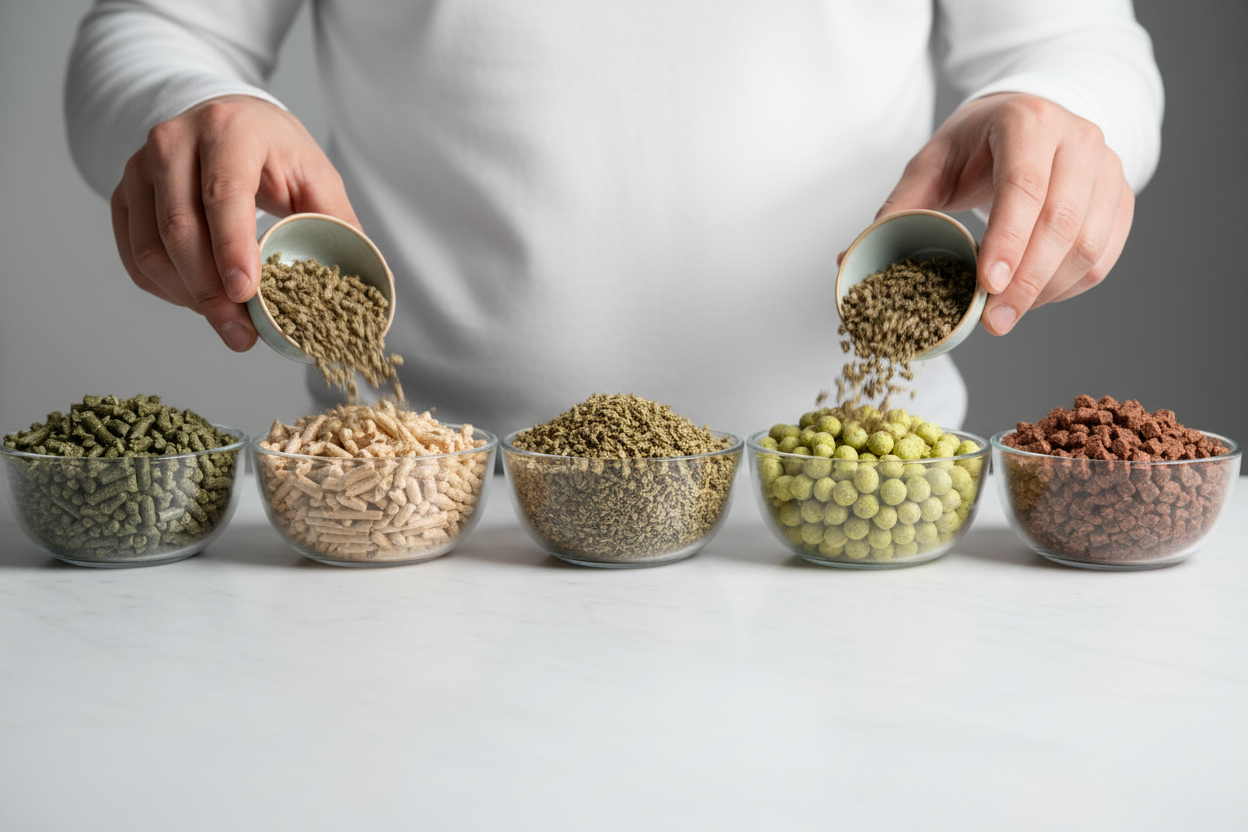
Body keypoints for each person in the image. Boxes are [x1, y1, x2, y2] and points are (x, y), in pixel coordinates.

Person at [65, 1, 1163, 438]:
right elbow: (155, 27)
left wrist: (1064, 115)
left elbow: (1075, 40)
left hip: (858, 502)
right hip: (425, 511)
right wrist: (193, 106)